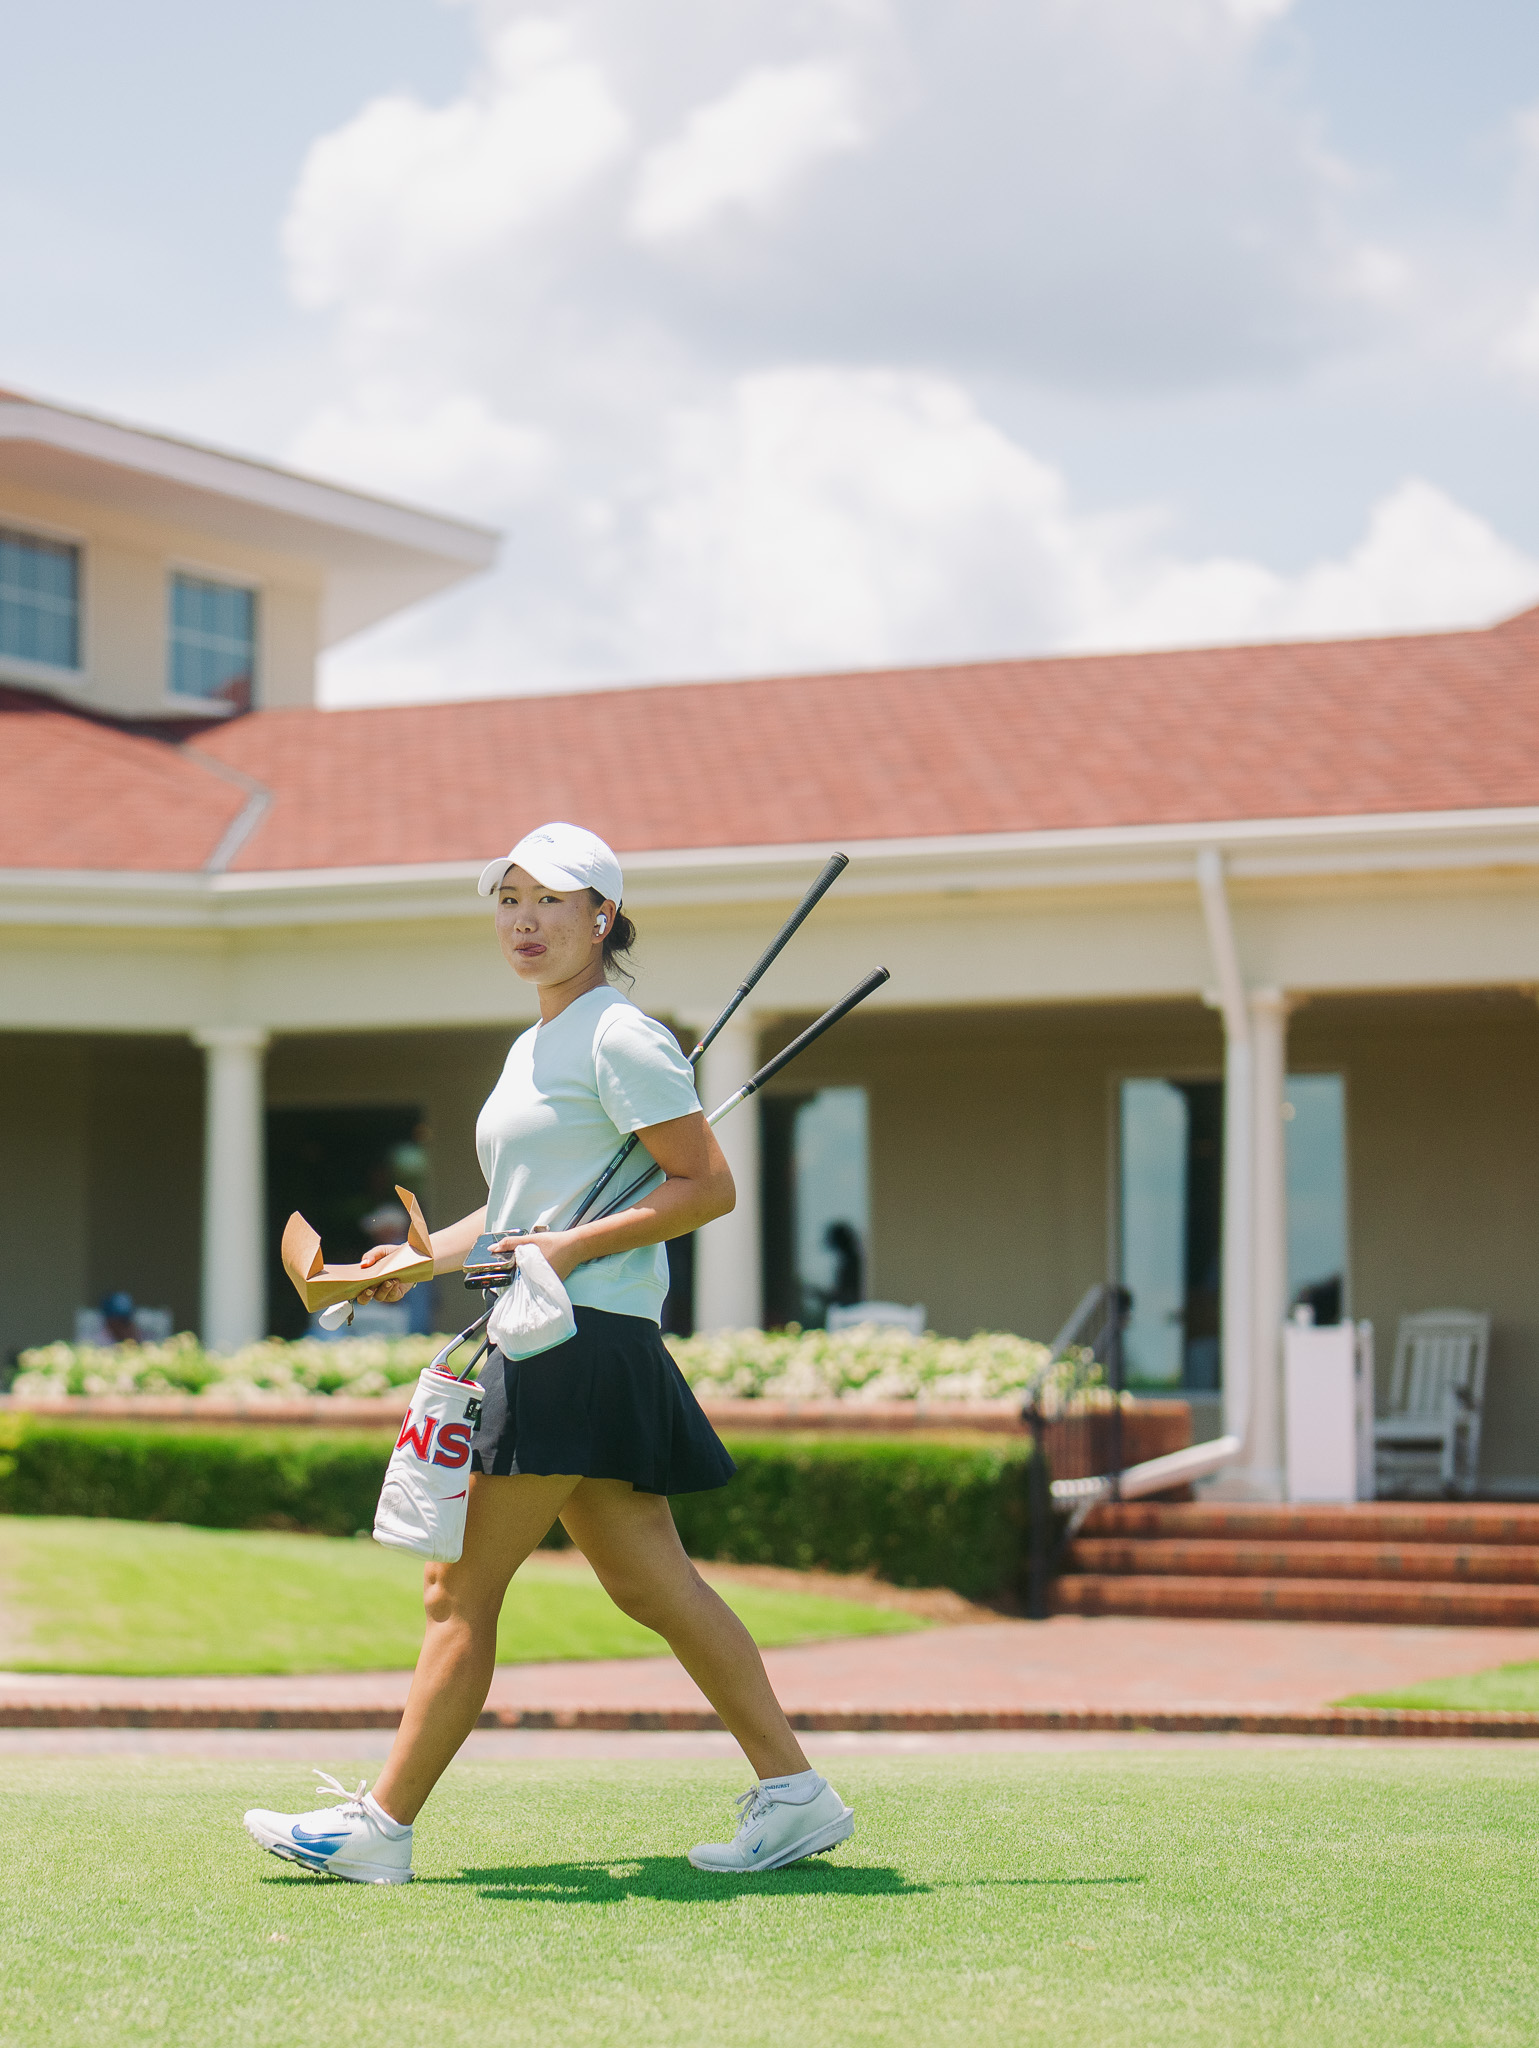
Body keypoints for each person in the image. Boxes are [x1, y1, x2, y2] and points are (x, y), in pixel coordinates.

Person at [243, 822, 854, 1886]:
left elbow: (704, 1186)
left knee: (457, 1590)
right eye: (509, 898)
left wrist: (570, 1245)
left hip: (572, 1337)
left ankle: (380, 1825)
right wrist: (412, 1260)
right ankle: (796, 1793)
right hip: (563, 1329)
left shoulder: (623, 1034)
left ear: (601, 917)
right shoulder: (538, 1043)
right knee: (654, 1583)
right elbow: (521, 1212)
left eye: (551, 900)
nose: (523, 919)